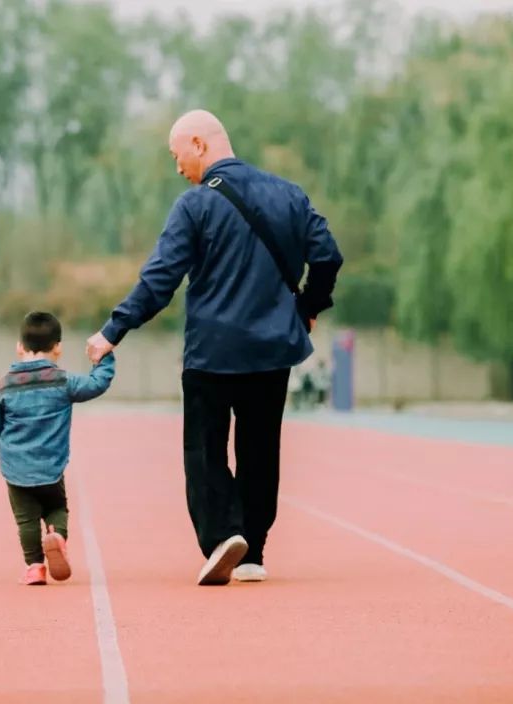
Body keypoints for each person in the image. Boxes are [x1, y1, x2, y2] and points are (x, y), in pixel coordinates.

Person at [86, 109, 343, 585]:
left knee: (204, 450)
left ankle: (223, 535)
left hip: (212, 353)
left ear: (200, 144)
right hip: (273, 350)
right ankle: (252, 552)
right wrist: (309, 305)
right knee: (260, 449)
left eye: (177, 153)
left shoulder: (195, 206)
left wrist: (112, 330)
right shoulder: (290, 196)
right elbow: (327, 255)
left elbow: (160, 279)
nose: (177, 165)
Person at [0, 311, 116, 585]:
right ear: (58, 348)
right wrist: (104, 358)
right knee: (57, 508)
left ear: (20, 347)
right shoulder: (64, 382)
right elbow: (97, 384)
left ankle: (34, 567)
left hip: (16, 468)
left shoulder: (3, 386)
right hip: (51, 466)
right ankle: (58, 536)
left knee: (26, 521)